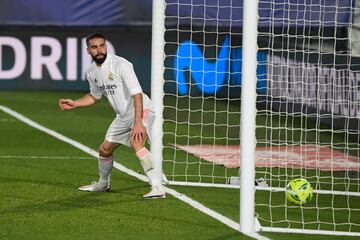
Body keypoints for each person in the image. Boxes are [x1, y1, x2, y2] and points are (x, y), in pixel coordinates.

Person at [58, 33, 165, 199]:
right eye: (94, 47)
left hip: (142, 108)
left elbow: (137, 94)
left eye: (102, 46)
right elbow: (95, 96)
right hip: (123, 115)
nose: (99, 50)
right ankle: (103, 184)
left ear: (106, 46)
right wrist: (75, 103)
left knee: (136, 143)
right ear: (88, 51)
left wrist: (138, 123)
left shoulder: (121, 65)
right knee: (105, 150)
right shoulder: (92, 72)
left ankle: (157, 187)